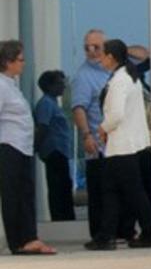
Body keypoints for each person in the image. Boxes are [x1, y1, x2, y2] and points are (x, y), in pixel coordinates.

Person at [85, 39, 151, 250]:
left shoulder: (120, 80)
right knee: (111, 190)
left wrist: (103, 128)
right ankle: (107, 235)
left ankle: (150, 232)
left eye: (103, 55)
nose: (100, 59)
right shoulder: (131, 77)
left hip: (122, 145)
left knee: (132, 191)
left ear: (111, 57)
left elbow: (116, 114)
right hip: (126, 144)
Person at [0, 41, 57, 255]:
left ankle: (29, 237)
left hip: (22, 147)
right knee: (13, 194)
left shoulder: (11, 85)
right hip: (9, 145)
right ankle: (18, 241)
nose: (24, 63)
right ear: (8, 62)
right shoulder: (1, 85)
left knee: (25, 193)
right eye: (20, 60)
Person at [71, 29, 112, 238]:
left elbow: (145, 55)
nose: (92, 51)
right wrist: (86, 135)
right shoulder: (83, 76)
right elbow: (79, 108)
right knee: (100, 193)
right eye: (87, 48)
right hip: (98, 145)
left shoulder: (114, 69)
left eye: (96, 47)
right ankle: (100, 236)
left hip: (118, 145)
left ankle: (118, 231)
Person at [34, 70, 76, 221]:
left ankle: (67, 217)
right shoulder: (46, 103)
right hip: (54, 151)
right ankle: (60, 218)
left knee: (64, 185)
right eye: (59, 83)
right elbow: (43, 127)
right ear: (49, 86)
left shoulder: (53, 103)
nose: (63, 86)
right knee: (58, 186)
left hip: (60, 151)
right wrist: (35, 147)